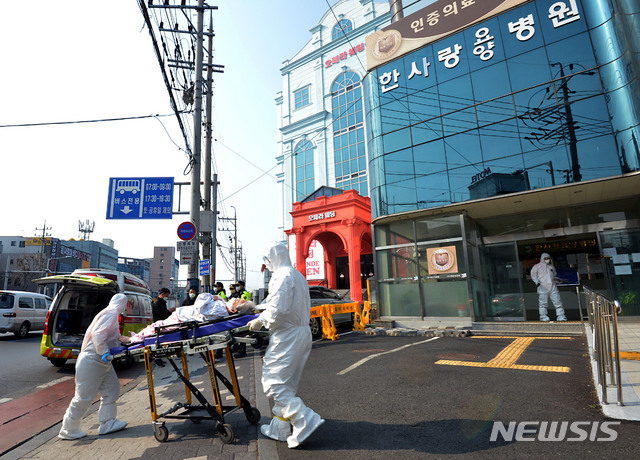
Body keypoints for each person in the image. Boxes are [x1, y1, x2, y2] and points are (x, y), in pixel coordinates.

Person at [247, 242, 324, 449]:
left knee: (274, 383)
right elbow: (280, 304)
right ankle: (280, 428)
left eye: (267, 259)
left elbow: (278, 309)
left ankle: (303, 417)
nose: (267, 264)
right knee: (287, 383)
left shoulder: (281, 276)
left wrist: (260, 321)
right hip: (300, 333)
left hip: (287, 336)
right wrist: (259, 311)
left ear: (273, 257)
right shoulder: (296, 275)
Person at [58, 294, 129, 440]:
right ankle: (68, 429)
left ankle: (107, 423)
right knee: (84, 396)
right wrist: (103, 352)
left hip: (102, 361)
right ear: (121, 303)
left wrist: (129, 339)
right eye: (125, 304)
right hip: (92, 359)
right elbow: (98, 334)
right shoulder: (110, 313)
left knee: (112, 390)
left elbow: (113, 336)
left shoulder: (112, 314)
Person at [123, 293, 255, 344]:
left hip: (182, 317)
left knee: (157, 327)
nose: (235, 299)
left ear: (233, 309)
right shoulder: (223, 309)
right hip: (184, 317)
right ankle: (136, 337)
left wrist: (212, 297)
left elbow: (200, 305)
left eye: (237, 301)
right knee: (158, 326)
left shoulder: (221, 309)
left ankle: (133, 339)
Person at [531, 252, 567, 322]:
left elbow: (554, 275)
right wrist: (537, 283)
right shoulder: (537, 266)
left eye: (549, 258)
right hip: (543, 287)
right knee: (543, 303)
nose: (548, 259)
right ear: (542, 258)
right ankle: (543, 316)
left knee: (558, 301)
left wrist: (557, 280)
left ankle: (561, 316)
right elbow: (533, 275)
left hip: (553, 286)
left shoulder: (551, 267)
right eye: (546, 258)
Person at [230, 280, 252, 358]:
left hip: (243, 315)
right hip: (239, 315)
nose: (236, 287)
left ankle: (242, 351)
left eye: (238, 285)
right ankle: (237, 348)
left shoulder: (244, 294)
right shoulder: (238, 294)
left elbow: (243, 305)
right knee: (237, 333)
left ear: (242, 286)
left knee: (242, 334)